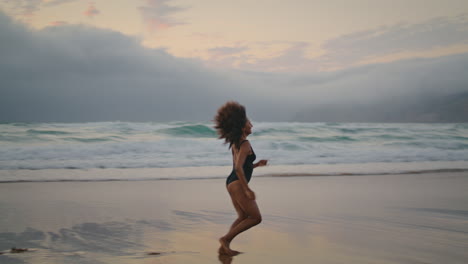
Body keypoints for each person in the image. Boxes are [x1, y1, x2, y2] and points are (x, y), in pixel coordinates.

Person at [214, 101, 268, 256]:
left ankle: (225, 247)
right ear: (243, 126)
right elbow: (238, 168)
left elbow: (241, 166)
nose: (252, 125)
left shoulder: (236, 143)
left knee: (243, 216)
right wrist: (247, 189)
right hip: (238, 184)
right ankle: (225, 239)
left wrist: (257, 164)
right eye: (249, 122)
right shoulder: (245, 144)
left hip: (230, 182)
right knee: (256, 218)